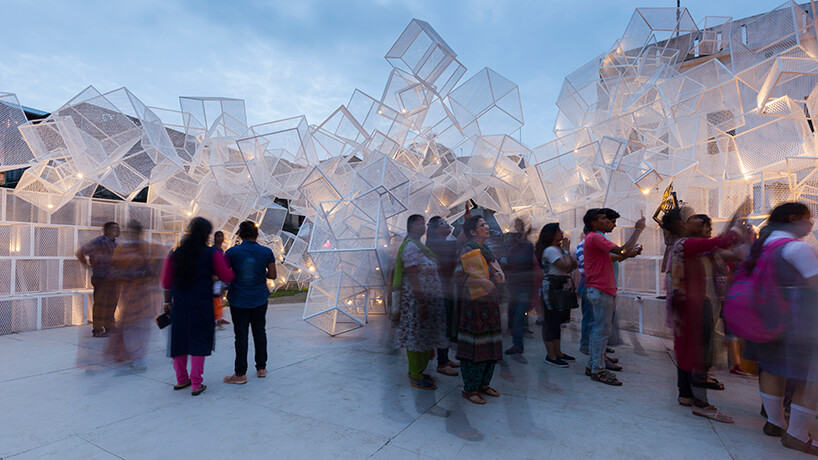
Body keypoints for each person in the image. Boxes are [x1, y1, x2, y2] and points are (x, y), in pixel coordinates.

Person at [742, 203, 818, 454]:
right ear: (794, 219)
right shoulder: (797, 248)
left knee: (772, 370)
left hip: (764, 317)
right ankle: (797, 434)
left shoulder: (762, 244)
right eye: (809, 218)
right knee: (810, 377)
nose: (811, 224)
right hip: (797, 320)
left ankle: (775, 423)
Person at [664, 208, 745, 423]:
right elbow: (726, 241)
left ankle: (687, 395)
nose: (702, 227)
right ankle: (701, 403)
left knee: (688, 350)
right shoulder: (687, 244)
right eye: (693, 221)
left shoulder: (689, 247)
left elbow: (727, 250)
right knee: (699, 354)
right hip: (693, 307)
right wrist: (739, 221)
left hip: (689, 306)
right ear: (680, 225)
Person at [162, 217, 234, 396]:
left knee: (179, 340)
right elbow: (226, 275)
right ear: (206, 234)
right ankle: (196, 383)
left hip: (180, 304)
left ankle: (181, 379)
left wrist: (166, 302)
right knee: (198, 341)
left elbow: (165, 281)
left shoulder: (175, 253)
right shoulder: (212, 254)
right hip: (201, 304)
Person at [583, 208, 645, 386]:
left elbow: (611, 258)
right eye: (603, 218)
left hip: (601, 289)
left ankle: (593, 365)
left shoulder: (595, 238)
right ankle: (598, 369)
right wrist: (638, 230)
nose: (608, 221)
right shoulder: (596, 237)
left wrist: (628, 254)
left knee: (600, 330)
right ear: (593, 223)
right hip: (601, 289)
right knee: (601, 331)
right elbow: (623, 250)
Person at [394, 215, 449, 389]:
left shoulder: (419, 246)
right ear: (410, 227)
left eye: (423, 223)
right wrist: (422, 303)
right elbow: (412, 276)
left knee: (423, 336)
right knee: (416, 337)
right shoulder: (411, 246)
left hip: (427, 299)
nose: (423, 226)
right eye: (418, 223)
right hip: (418, 301)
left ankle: (418, 371)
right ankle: (416, 375)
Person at [455, 216, 504, 404]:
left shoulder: (486, 250)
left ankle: (484, 383)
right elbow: (459, 278)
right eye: (482, 225)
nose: (487, 227)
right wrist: (484, 282)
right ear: (473, 232)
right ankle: (470, 388)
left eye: (486, 224)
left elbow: (493, 271)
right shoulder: (467, 250)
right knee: (475, 346)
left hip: (490, 304)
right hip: (474, 306)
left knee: (490, 342)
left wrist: (498, 278)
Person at [105, 220, 164, 371]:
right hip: (133, 295)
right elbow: (114, 270)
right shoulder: (133, 249)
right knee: (134, 327)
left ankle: (139, 358)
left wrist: (134, 274)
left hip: (141, 295)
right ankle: (137, 357)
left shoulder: (147, 249)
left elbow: (156, 268)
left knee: (138, 327)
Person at [223, 221, 277, 384]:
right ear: (256, 234)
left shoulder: (232, 252)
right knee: (260, 332)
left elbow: (224, 276)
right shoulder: (266, 252)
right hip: (259, 297)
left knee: (241, 335)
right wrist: (261, 272)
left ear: (240, 234)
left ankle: (240, 374)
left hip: (238, 298)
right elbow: (273, 275)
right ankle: (261, 368)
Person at [535, 223, 577, 367]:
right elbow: (566, 266)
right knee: (551, 322)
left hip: (558, 287)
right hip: (552, 289)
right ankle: (551, 355)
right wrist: (566, 251)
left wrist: (565, 253)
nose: (562, 233)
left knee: (557, 322)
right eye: (559, 231)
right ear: (551, 234)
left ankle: (558, 352)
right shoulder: (551, 250)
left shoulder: (556, 249)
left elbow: (570, 265)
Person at [425, 216, 461, 377]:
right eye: (443, 224)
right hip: (438, 293)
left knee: (445, 326)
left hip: (445, 290)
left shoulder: (441, 243)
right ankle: (442, 363)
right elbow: (460, 243)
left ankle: (444, 359)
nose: (447, 225)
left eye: (446, 223)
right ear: (435, 229)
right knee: (442, 328)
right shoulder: (436, 245)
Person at [76, 221, 120, 337]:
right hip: (102, 278)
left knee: (111, 303)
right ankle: (98, 329)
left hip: (113, 279)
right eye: (115, 228)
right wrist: (87, 264)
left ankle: (109, 326)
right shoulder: (99, 241)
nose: (118, 230)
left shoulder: (115, 243)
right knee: (101, 304)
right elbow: (81, 252)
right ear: (107, 230)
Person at [504, 218, 535, 356]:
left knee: (518, 314)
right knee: (516, 313)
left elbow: (522, 263)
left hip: (521, 285)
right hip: (516, 285)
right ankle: (517, 339)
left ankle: (518, 343)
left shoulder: (526, 246)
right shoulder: (512, 245)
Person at [576, 227, 593, 355]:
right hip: (588, 284)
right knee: (589, 316)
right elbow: (585, 270)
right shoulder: (583, 247)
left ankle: (593, 344)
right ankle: (585, 345)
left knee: (593, 317)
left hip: (589, 284)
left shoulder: (588, 245)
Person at [212, 231, 230, 329]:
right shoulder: (214, 249)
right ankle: (214, 319)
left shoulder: (220, 249)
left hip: (220, 278)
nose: (221, 238)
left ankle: (220, 317)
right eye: (218, 236)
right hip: (215, 278)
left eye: (222, 236)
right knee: (215, 299)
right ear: (214, 238)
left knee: (220, 299)